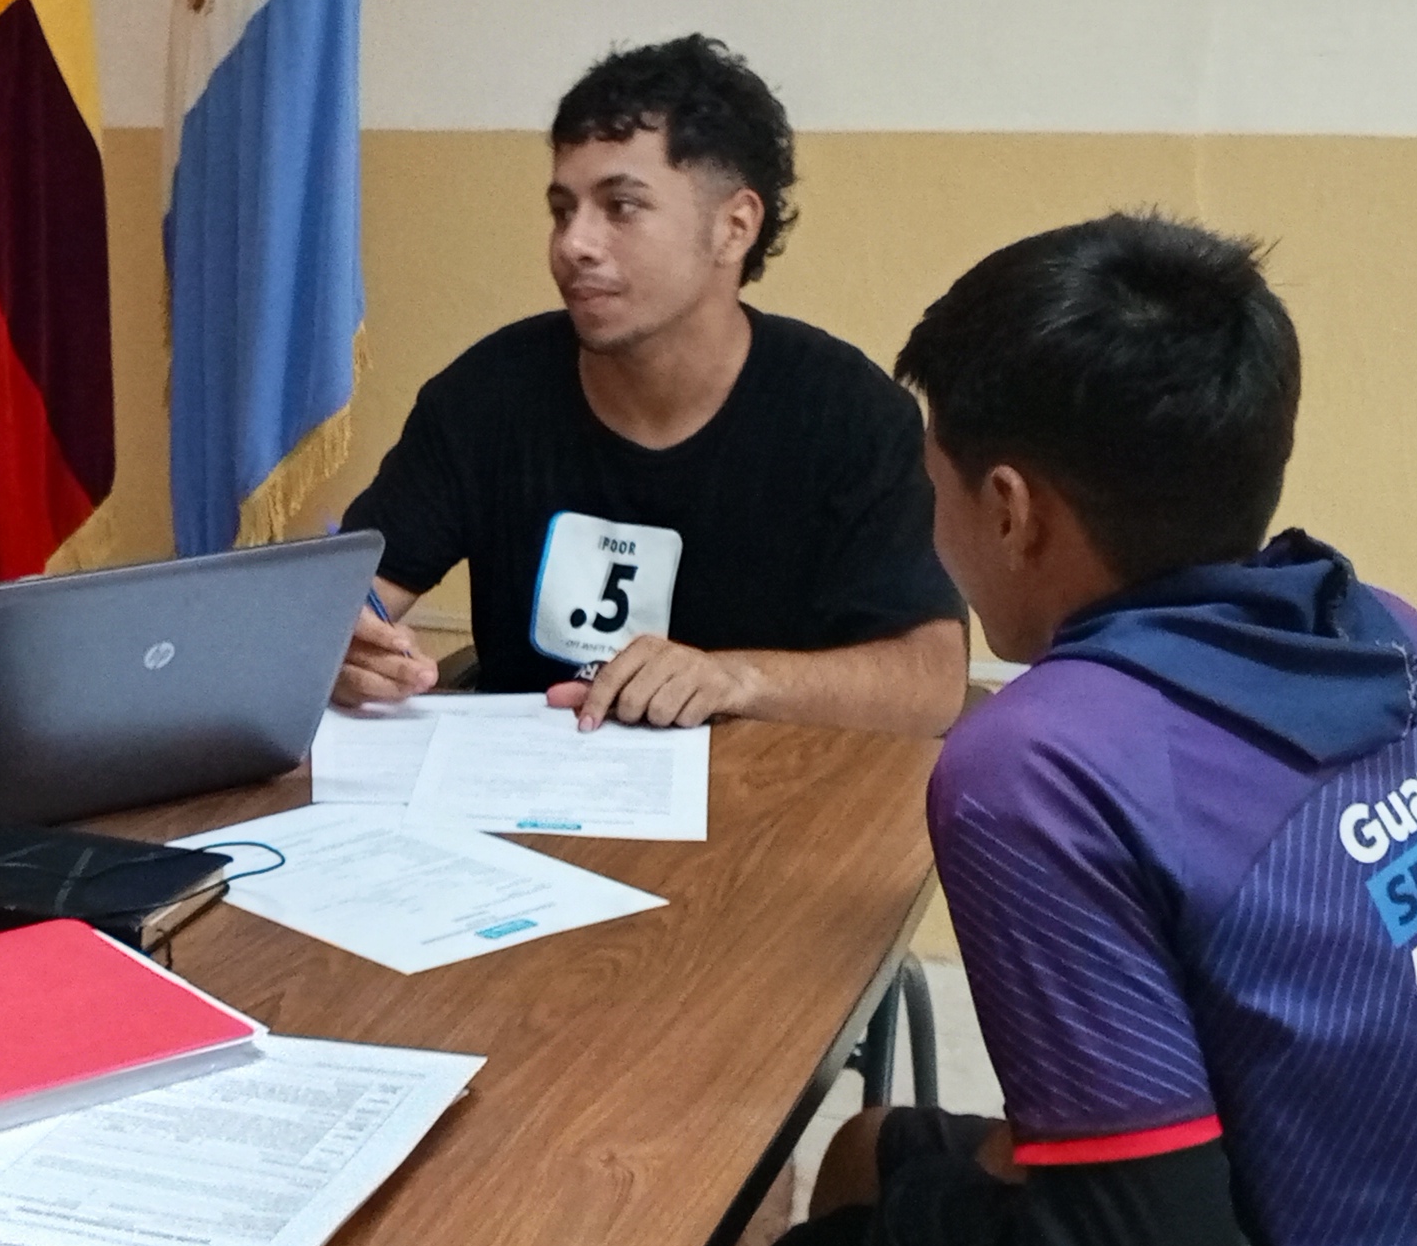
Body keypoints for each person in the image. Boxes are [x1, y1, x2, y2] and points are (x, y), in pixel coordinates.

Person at [575, 214, 1417, 1246]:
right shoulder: (1401, 644)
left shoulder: (1042, 763)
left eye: (935, 482)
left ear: (1011, 509)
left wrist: (930, 1231)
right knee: (867, 1156)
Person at [334, 36, 964, 734]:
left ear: (734, 228)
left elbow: (931, 680)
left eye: (621, 207)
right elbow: (349, 602)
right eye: (562, 210)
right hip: (529, 782)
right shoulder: (485, 396)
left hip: (766, 788)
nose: (574, 244)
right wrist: (341, 647)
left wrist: (735, 680)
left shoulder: (849, 414)